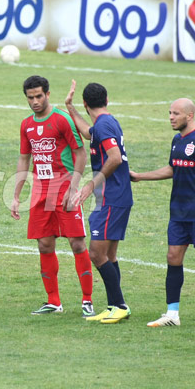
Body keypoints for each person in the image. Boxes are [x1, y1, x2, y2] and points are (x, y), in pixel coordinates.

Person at [130, 98, 195, 329]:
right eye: (170, 113)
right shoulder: (177, 140)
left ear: (189, 116)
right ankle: (172, 314)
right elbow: (173, 168)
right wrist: (140, 176)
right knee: (173, 257)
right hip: (178, 213)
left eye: (175, 113)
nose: (171, 117)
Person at [11, 75, 94, 316]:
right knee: (44, 244)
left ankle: (87, 300)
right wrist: (16, 195)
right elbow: (24, 158)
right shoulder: (26, 125)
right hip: (40, 190)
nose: (35, 101)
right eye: (30, 98)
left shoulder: (62, 119)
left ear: (47, 94)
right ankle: (54, 302)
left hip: (64, 186)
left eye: (39, 96)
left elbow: (81, 153)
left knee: (76, 243)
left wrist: (73, 188)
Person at [64, 81, 133, 324]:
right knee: (109, 255)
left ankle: (120, 305)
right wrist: (70, 107)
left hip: (112, 198)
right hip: (116, 196)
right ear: (107, 100)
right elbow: (88, 132)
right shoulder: (106, 122)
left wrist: (91, 184)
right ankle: (115, 306)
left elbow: (114, 158)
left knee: (96, 252)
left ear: (86, 102)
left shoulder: (103, 126)